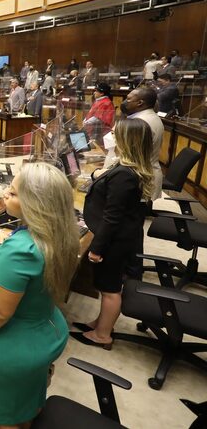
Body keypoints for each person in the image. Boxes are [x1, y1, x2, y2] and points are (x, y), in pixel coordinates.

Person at [0, 162, 80, 428]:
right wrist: (2, 231)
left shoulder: (20, 251)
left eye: (14, 192)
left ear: (36, 204)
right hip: (46, 330)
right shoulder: (60, 233)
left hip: (14, 348)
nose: (5, 194)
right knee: (26, 405)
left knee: (6, 419)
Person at [71, 119, 154, 350]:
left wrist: (96, 248)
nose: (110, 137)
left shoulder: (125, 175)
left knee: (110, 289)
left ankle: (102, 335)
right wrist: (100, 174)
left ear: (127, 141)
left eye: (115, 134)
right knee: (108, 285)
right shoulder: (127, 169)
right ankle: (100, 323)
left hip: (114, 242)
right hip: (120, 237)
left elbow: (112, 217)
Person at [119, 87, 163, 200]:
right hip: (146, 172)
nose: (125, 101)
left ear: (140, 103)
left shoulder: (140, 122)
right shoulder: (150, 116)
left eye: (128, 99)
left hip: (141, 177)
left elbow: (130, 154)